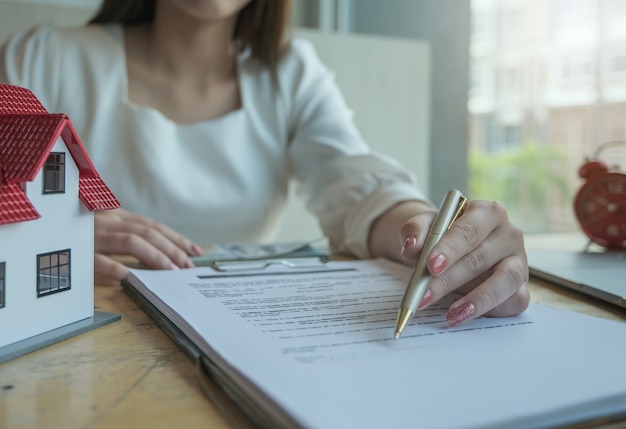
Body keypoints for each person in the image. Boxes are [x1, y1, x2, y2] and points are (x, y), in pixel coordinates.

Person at [0, 0, 529, 326]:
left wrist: (439, 238)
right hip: (69, 325)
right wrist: (42, 239)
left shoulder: (291, 73)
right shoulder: (41, 58)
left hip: (236, 330)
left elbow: (360, 186)